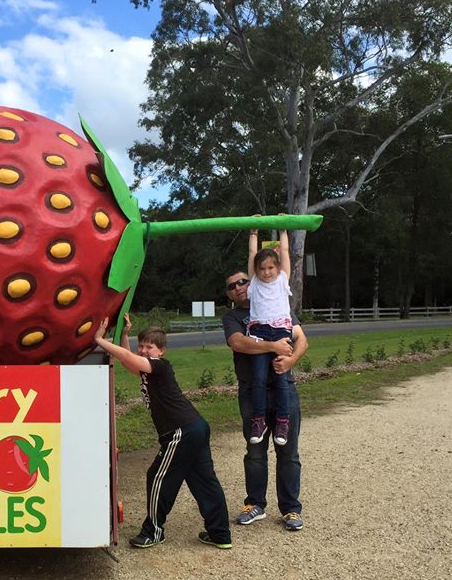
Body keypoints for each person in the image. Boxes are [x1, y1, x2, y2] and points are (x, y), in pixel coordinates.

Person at [94, 315, 233, 549]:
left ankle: (154, 531)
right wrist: (126, 335)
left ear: (162, 351)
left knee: (157, 477)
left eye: (150, 347)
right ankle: (220, 534)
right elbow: (130, 362)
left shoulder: (160, 366)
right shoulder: (148, 369)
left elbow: (128, 357)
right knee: (204, 481)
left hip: (182, 431)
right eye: (143, 346)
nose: (144, 350)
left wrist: (99, 339)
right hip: (195, 427)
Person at [223, 253, 307, 532]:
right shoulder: (233, 316)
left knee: (289, 452)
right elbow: (238, 343)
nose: (238, 287)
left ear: (252, 280)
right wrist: (273, 347)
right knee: (255, 451)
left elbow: (301, 340)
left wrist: (291, 360)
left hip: (284, 387)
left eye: (242, 281)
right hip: (252, 391)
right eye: (232, 286)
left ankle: (291, 509)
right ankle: (255, 504)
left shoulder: (278, 303)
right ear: (229, 294)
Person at [245, 226, 293, 446]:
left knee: (281, 378)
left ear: (278, 268)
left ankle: (283, 421)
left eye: (271, 267)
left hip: (281, 332)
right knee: (259, 378)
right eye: (262, 268)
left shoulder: (283, 279)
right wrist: (253, 234)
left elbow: (284, 251)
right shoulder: (253, 283)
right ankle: (259, 420)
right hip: (259, 332)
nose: (266, 272)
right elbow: (252, 256)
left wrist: (283, 230)